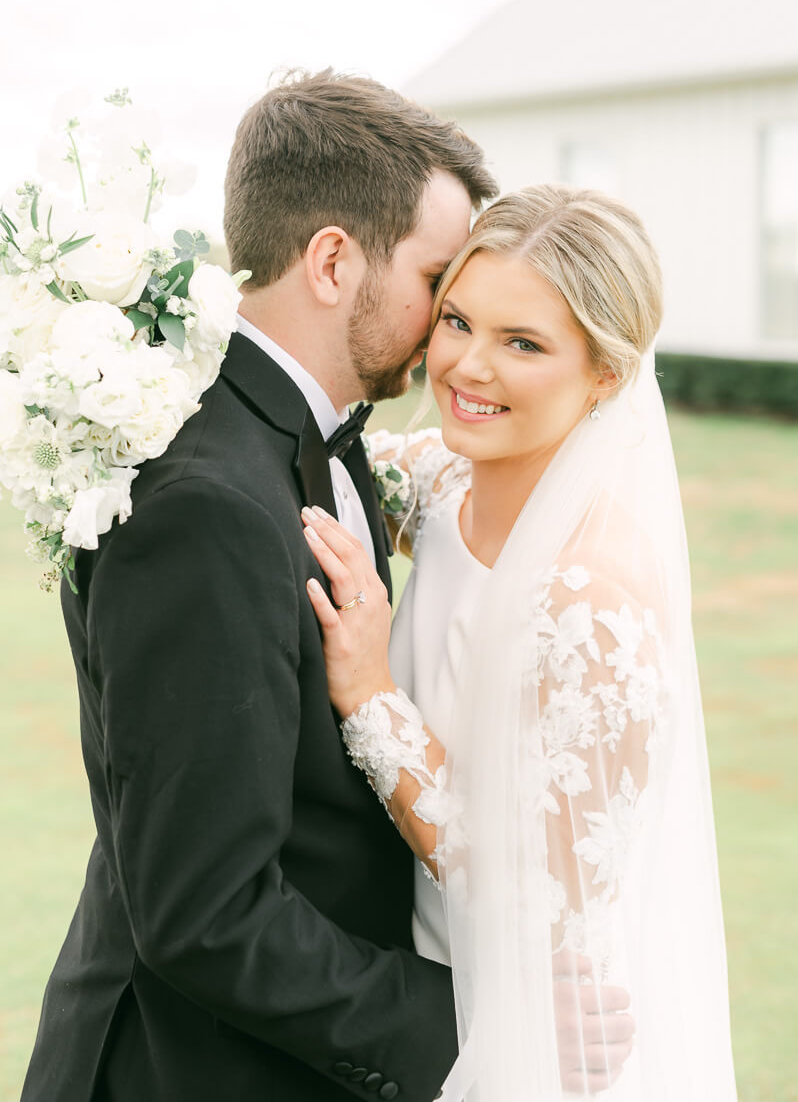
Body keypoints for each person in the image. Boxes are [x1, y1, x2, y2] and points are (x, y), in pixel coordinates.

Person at [20, 76, 632, 1102]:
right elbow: (205, 913)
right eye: (440, 280)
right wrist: (480, 1023)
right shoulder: (209, 506)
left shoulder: (327, 446)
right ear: (335, 260)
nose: (449, 320)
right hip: (184, 1073)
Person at [302, 185, 739, 1099]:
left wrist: (372, 693)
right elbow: (298, 466)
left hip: (534, 1029)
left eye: (524, 343)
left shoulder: (595, 600)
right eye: (458, 320)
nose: (467, 366)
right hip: (408, 978)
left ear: (606, 375)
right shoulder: (441, 484)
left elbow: (529, 892)